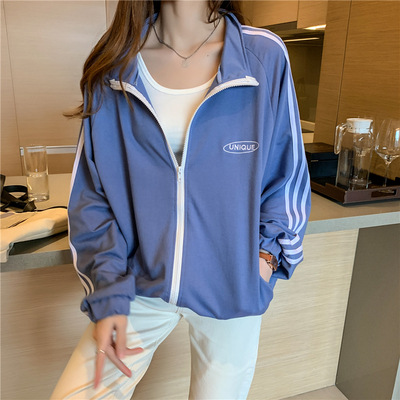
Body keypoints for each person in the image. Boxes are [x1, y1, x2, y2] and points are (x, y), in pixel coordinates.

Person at [51, 0, 311, 398]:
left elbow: (286, 175)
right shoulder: (113, 64)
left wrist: (265, 259)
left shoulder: (263, 56)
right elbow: (93, 197)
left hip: (232, 285)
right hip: (136, 283)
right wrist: (107, 290)